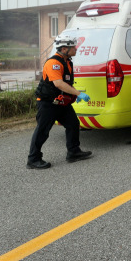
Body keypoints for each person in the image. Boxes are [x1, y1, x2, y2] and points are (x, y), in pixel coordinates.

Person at [27, 35, 92, 169]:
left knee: (73, 123)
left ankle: (73, 152)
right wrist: (79, 93)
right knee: (42, 130)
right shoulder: (54, 63)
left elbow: (66, 83)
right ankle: (33, 159)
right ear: (64, 48)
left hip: (61, 103)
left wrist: (74, 92)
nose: (76, 49)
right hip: (48, 103)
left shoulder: (67, 62)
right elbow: (58, 84)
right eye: (73, 47)